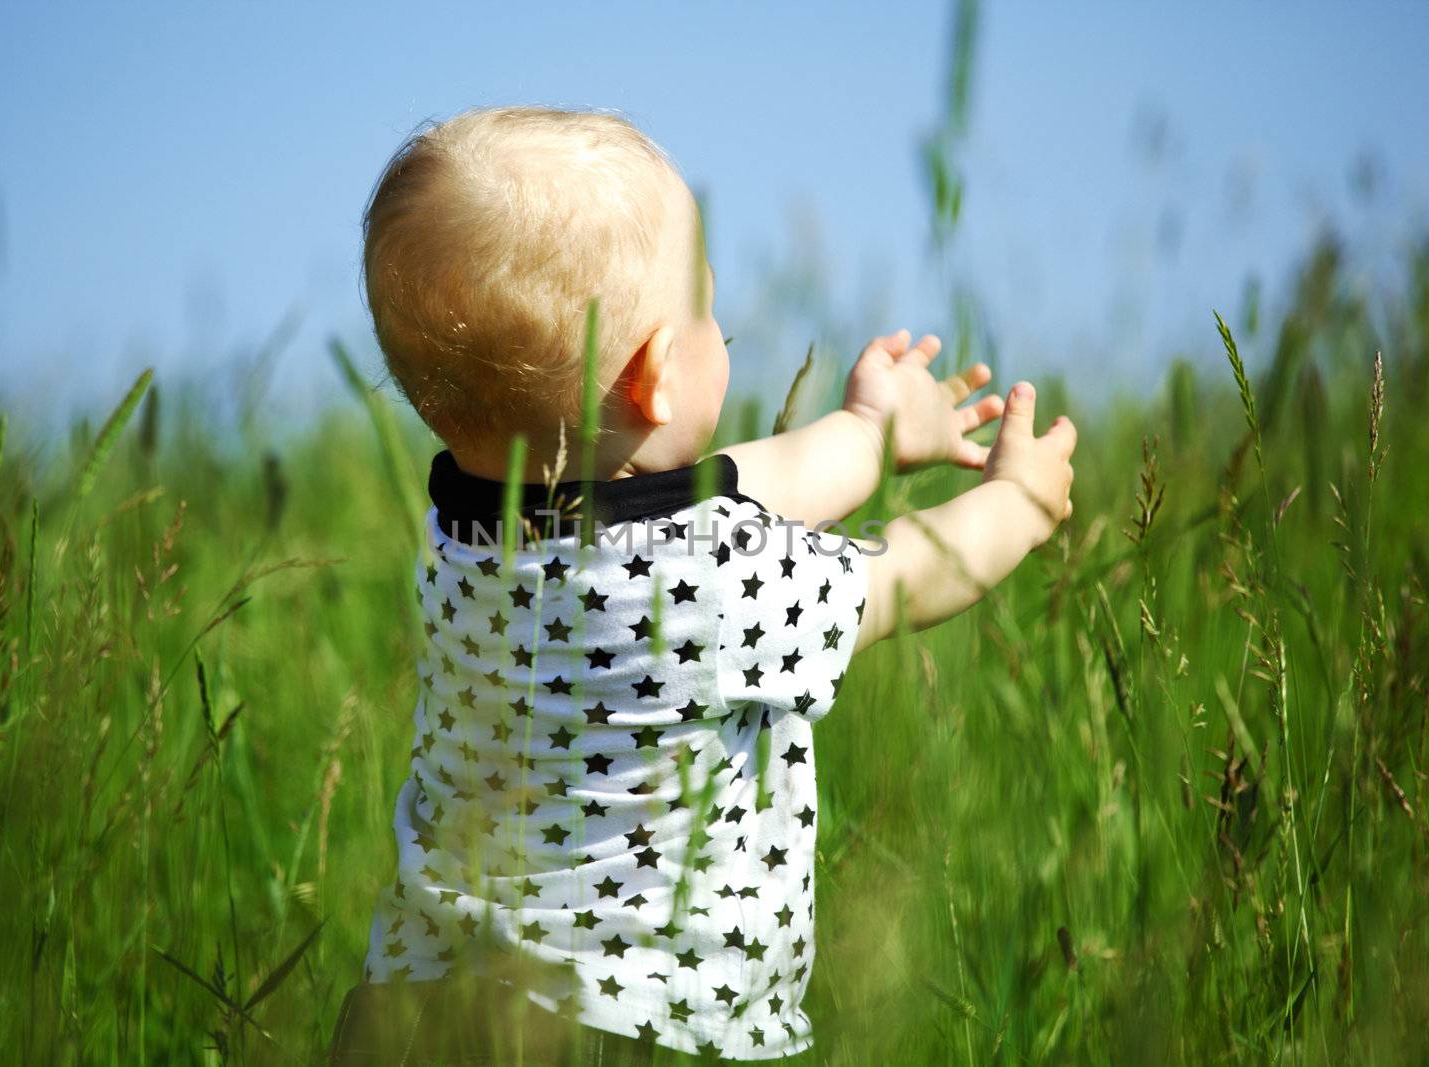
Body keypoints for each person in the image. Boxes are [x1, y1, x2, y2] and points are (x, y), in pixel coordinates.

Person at [330, 105, 1076, 1065]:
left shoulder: (468, 539)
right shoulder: (715, 583)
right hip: (630, 1032)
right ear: (654, 379)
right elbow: (908, 574)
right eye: (708, 313)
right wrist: (1017, 499)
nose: (721, 329)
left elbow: (730, 492)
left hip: (419, 1018)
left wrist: (870, 434)